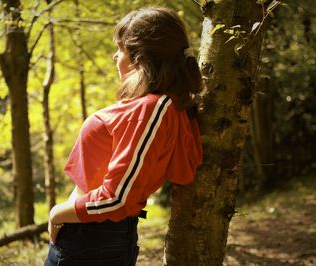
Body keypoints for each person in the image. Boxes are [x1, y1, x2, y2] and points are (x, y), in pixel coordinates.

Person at [44, 6, 203, 266]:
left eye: (120, 49)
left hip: (93, 238)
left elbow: (117, 198)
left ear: (139, 57)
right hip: (91, 236)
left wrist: (57, 213)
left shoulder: (155, 107)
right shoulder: (156, 106)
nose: (114, 56)